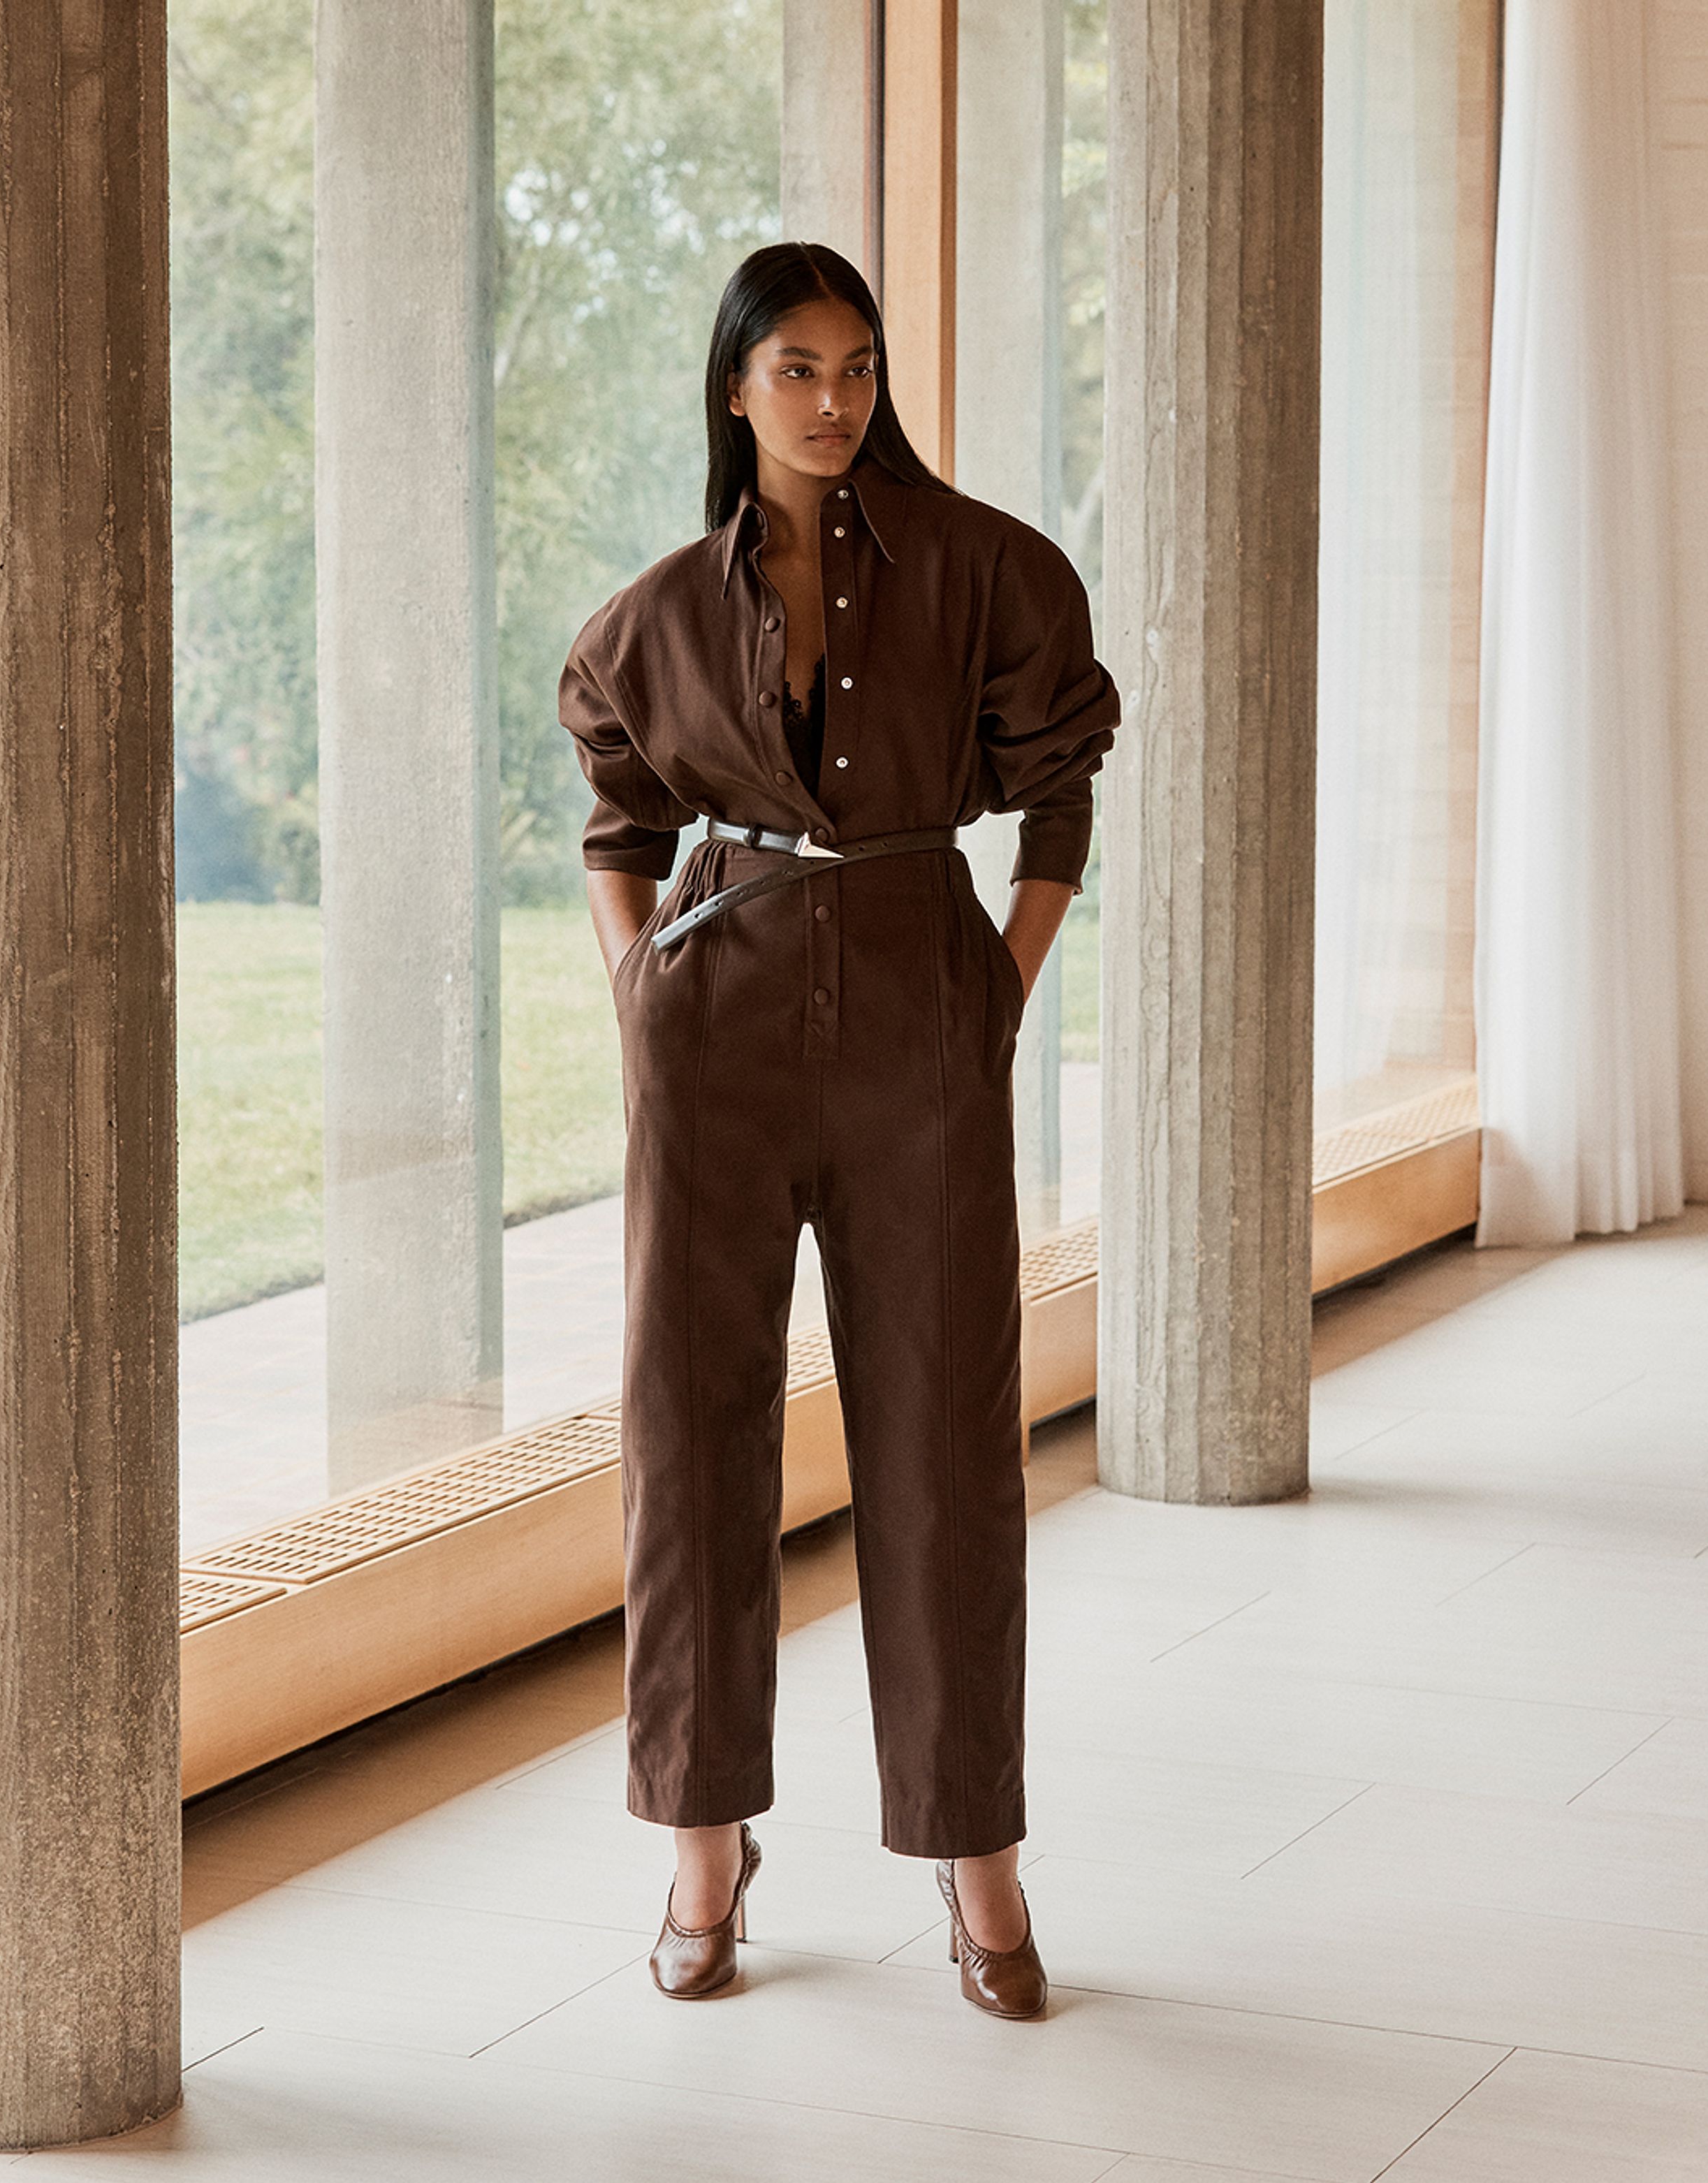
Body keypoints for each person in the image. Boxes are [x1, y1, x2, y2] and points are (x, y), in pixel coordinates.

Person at [559, 240, 1118, 2017]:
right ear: (734, 390)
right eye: (795, 368)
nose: (833, 399)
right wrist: (640, 1000)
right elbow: (613, 817)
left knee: (944, 1441)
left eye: (858, 365)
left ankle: (981, 1870)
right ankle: (701, 1860)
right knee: (690, 1435)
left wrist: (994, 995)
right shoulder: (656, 612)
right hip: (714, 1026)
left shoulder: (985, 569)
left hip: (914, 1011)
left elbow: (1054, 793)